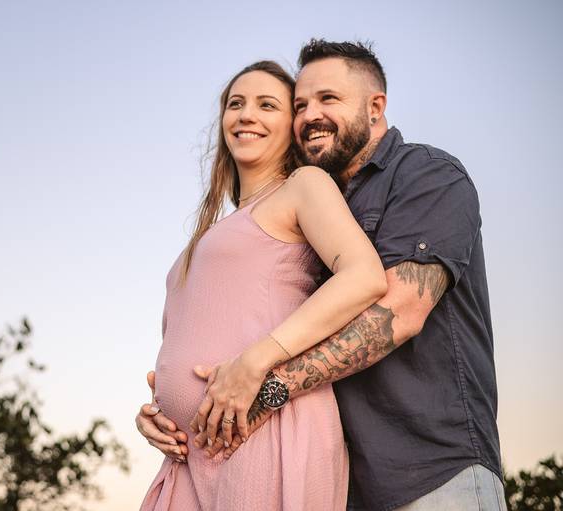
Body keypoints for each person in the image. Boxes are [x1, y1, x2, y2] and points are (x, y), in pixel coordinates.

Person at [137, 40, 506, 510]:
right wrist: (167, 410)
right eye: (301, 105)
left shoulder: (425, 174)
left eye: (328, 98)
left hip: (431, 467)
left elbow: (399, 310)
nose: (311, 114)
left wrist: (260, 380)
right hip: (352, 477)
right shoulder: (319, 203)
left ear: (375, 107)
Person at [139, 60, 387, 511]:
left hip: (266, 428)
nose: (246, 115)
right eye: (236, 104)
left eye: (267, 105)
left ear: (292, 125)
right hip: (189, 453)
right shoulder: (218, 228)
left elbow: (364, 275)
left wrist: (257, 360)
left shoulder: (302, 186)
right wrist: (157, 412)